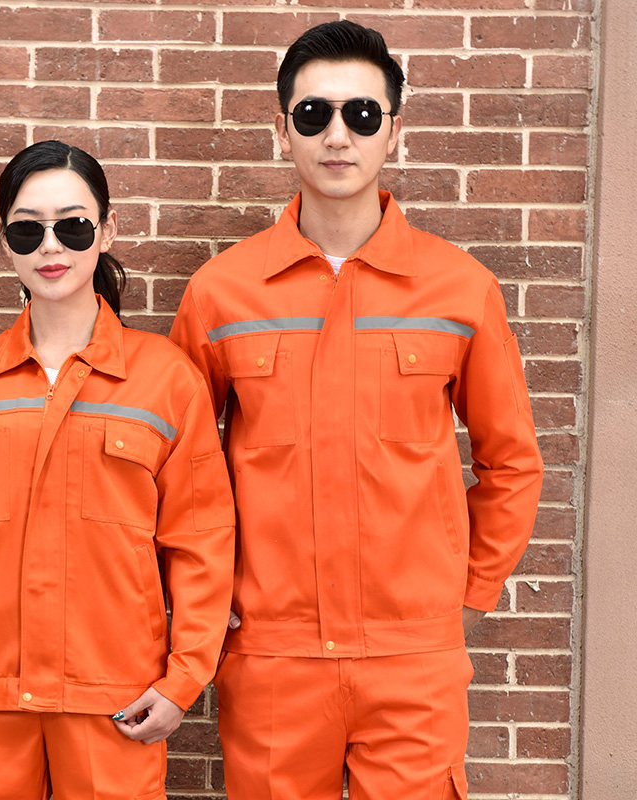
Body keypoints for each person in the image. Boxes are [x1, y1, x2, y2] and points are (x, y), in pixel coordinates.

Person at [170, 21, 543, 800]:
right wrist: (204, 602)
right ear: (283, 131)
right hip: (272, 656)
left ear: (393, 132)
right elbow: (179, 473)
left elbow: (510, 462)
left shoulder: (459, 289)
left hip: (414, 659)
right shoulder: (220, 294)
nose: (337, 136)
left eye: (362, 115)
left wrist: (468, 598)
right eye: (314, 115)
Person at [0, 140, 235, 800]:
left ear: (107, 230)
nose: (50, 246)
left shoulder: (164, 379)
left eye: (73, 225)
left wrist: (184, 679)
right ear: (4, 242)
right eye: (27, 229)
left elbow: (201, 539)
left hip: (114, 690)